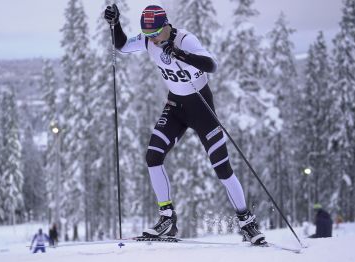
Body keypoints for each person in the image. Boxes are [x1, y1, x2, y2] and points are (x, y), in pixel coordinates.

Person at [104, 4, 266, 245]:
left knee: (222, 167)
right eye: (148, 35)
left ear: (167, 25)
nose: (153, 40)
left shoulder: (186, 39)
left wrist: (181, 54)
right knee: (152, 157)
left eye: (156, 34)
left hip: (202, 108)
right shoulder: (150, 40)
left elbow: (212, 65)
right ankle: (167, 218)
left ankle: (246, 222)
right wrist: (115, 24)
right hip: (176, 107)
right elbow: (123, 45)